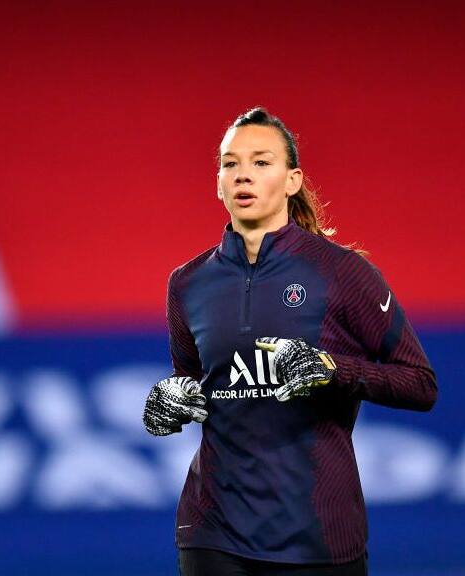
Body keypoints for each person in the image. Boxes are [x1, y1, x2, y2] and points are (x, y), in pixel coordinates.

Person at [143, 107, 437, 576]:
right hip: (213, 534)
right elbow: (192, 384)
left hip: (316, 537)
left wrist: (333, 370)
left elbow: (420, 384)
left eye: (261, 162)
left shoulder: (342, 272)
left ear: (292, 181)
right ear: (218, 184)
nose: (243, 174)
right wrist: (169, 403)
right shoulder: (187, 283)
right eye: (230, 164)